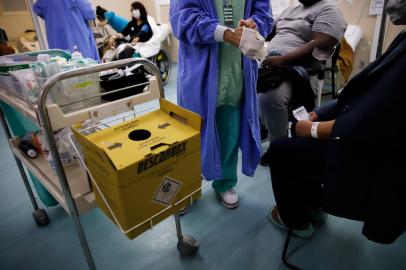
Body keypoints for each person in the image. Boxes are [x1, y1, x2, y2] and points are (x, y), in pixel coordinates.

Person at [267, 0, 406, 244]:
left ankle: (293, 219)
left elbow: (375, 120)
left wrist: (313, 128)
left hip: (371, 153)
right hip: (276, 64)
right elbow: (363, 90)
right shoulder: (403, 40)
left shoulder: (327, 11)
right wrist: (321, 113)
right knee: (295, 132)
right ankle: (313, 204)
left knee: (280, 149)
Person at [170, 0, 272, 208]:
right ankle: (188, 185)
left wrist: (255, 25)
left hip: (236, 70)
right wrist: (222, 33)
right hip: (200, 70)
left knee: (229, 132)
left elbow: (265, 15)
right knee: (192, 133)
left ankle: (225, 183)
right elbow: (182, 18)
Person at [258, 0, 346, 165]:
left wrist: (282, 60)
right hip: (272, 61)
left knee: (270, 95)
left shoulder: (328, 10)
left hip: (300, 68)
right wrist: (252, 30)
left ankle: (279, 145)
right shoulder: (289, 12)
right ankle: (272, 134)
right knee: (245, 83)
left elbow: (321, 42)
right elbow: (267, 31)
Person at [33, 0, 100, 61]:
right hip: (77, 36)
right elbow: (89, 13)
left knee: (61, 63)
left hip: (55, 38)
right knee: (83, 63)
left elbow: (37, 9)